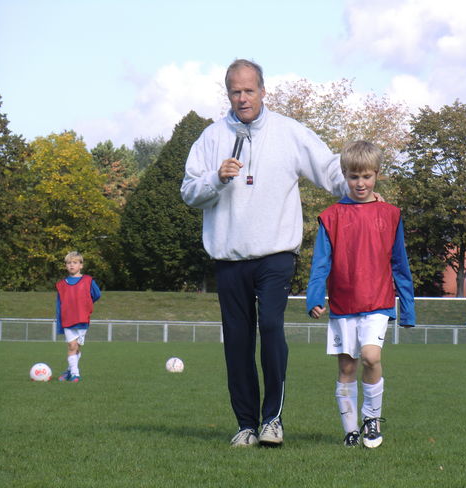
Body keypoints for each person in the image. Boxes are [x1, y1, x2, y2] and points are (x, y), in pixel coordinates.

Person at [180, 59, 348, 447]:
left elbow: (329, 170)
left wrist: (360, 187)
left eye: (249, 90)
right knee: (238, 342)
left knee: (271, 328)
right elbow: (189, 192)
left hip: (276, 253)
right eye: (235, 92)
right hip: (228, 257)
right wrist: (215, 178)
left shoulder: (290, 132)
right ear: (227, 94)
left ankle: (272, 419)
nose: (243, 98)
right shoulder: (210, 138)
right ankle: (246, 425)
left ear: (263, 91)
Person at [306, 141, 415, 448]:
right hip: (343, 303)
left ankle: (371, 419)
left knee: (370, 356)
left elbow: (400, 263)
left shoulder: (390, 214)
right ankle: (350, 431)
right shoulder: (331, 217)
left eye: (367, 176)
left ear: (377, 174)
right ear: (344, 175)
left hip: (378, 301)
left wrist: (408, 308)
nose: (361, 183)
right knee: (347, 367)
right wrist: (315, 297)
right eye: (354, 177)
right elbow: (321, 262)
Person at [55, 251, 101, 383]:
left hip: (82, 319)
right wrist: (59, 322)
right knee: (72, 345)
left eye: (75, 262)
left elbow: (97, 295)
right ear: (66, 265)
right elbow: (59, 305)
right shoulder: (61, 284)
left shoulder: (88, 280)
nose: (71, 265)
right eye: (69, 263)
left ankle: (69, 371)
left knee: (77, 347)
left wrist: (85, 305)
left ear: (81, 265)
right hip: (67, 319)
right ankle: (75, 374)